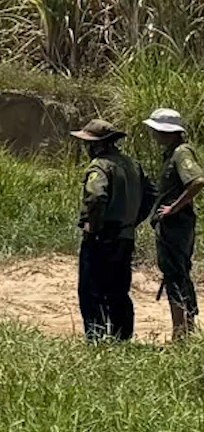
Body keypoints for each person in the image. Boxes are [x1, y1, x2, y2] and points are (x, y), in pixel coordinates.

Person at [72, 119, 147, 342]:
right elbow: (151, 195)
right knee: (118, 290)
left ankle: (95, 339)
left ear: (97, 145)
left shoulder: (100, 166)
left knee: (91, 290)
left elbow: (96, 196)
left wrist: (93, 227)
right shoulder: (132, 164)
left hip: (102, 237)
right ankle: (121, 338)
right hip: (125, 237)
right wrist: (132, 220)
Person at [146, 108, 204, 341]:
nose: (153, 134)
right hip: (174, 225)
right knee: (178, 274)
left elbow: (198, 180)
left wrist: (173, 208)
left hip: (176, 225)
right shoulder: (173, 152)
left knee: (175, 276)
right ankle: (185, 330)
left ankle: (181, 333)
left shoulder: (181, 152)